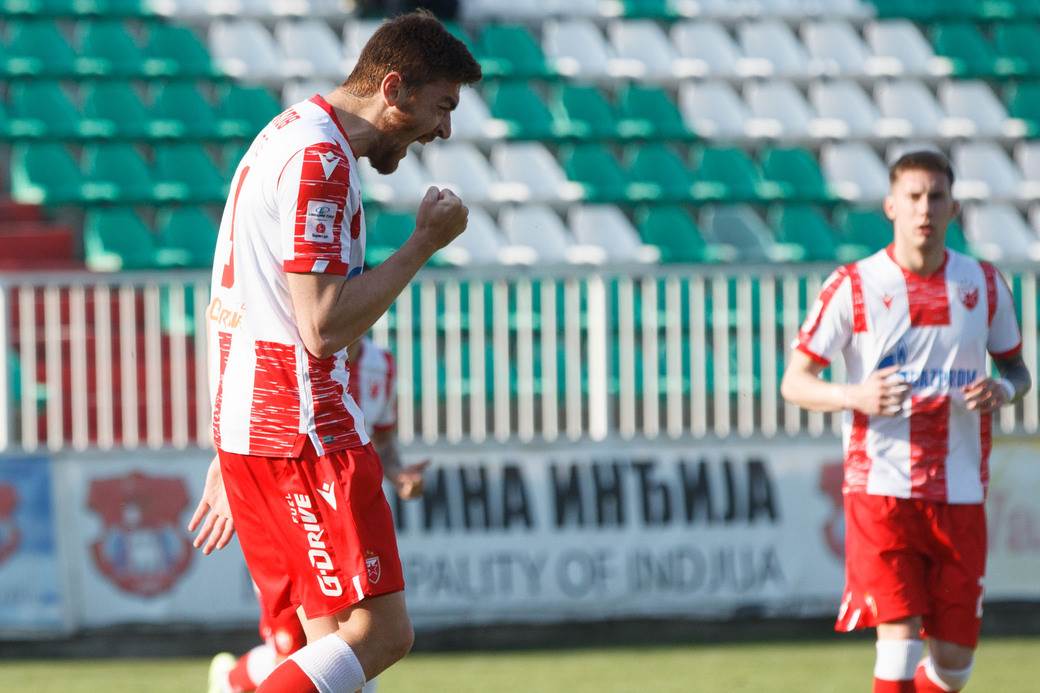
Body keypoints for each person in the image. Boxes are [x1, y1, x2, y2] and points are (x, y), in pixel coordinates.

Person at [193, 11, 480, 693]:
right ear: (394, 89)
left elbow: (244, 297)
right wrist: (421, 247)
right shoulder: (320, 159)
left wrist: (232, 437)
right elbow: (321, 326)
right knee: (382, 633)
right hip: (303, 427)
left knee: (332, 649)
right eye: (442, 107)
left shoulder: (288, 133)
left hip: (258, 424)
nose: (445, 130)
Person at [781, 149, 1031, 693]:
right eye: (913, 197)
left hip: (960, 493)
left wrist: (1003, 388)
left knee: (954, 665)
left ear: (954, 208)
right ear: (890, 206)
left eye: (936, 197)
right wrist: (856, 394)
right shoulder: (852, 284)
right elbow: (794, 382)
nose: (925, 208)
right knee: (898, 645)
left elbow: (1017, 370)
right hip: (881, 488)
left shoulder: (984, 286)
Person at [194, 335, 428, 693]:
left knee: (351, 645)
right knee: (296, 650)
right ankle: (231, 680)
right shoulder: (288, 346)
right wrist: (229, 464)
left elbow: (384, 440)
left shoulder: (380, 364)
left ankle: (230, 681)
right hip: (288, 502)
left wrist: (398, 473)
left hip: (342, 516)